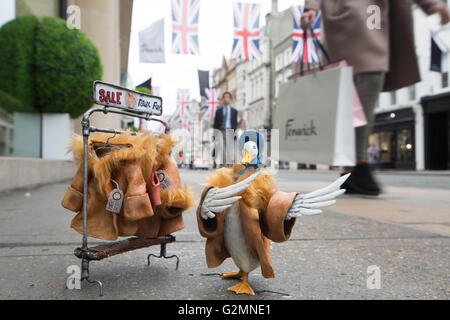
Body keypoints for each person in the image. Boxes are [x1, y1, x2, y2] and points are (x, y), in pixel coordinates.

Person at [301, 0, 450, 195]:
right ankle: (357, 166)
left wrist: (431, 5)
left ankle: (351, 169)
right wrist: (311, 7)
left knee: (363, 94)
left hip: (376, 19)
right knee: (354, 100)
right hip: (346, 19)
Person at [213, 91, 238, 166]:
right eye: (225, 97)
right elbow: (215, 124)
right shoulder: (218, 111)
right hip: (221, 131)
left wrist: (235, 134)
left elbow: (235, 123)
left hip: (230, 132)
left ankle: (228, 167)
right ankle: (223, 167)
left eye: (228, 97)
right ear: (223, 99)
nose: (226, 99)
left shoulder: (234, 111)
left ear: (230, 99)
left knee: (230, 152)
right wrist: (214, 136)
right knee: (222, 150)